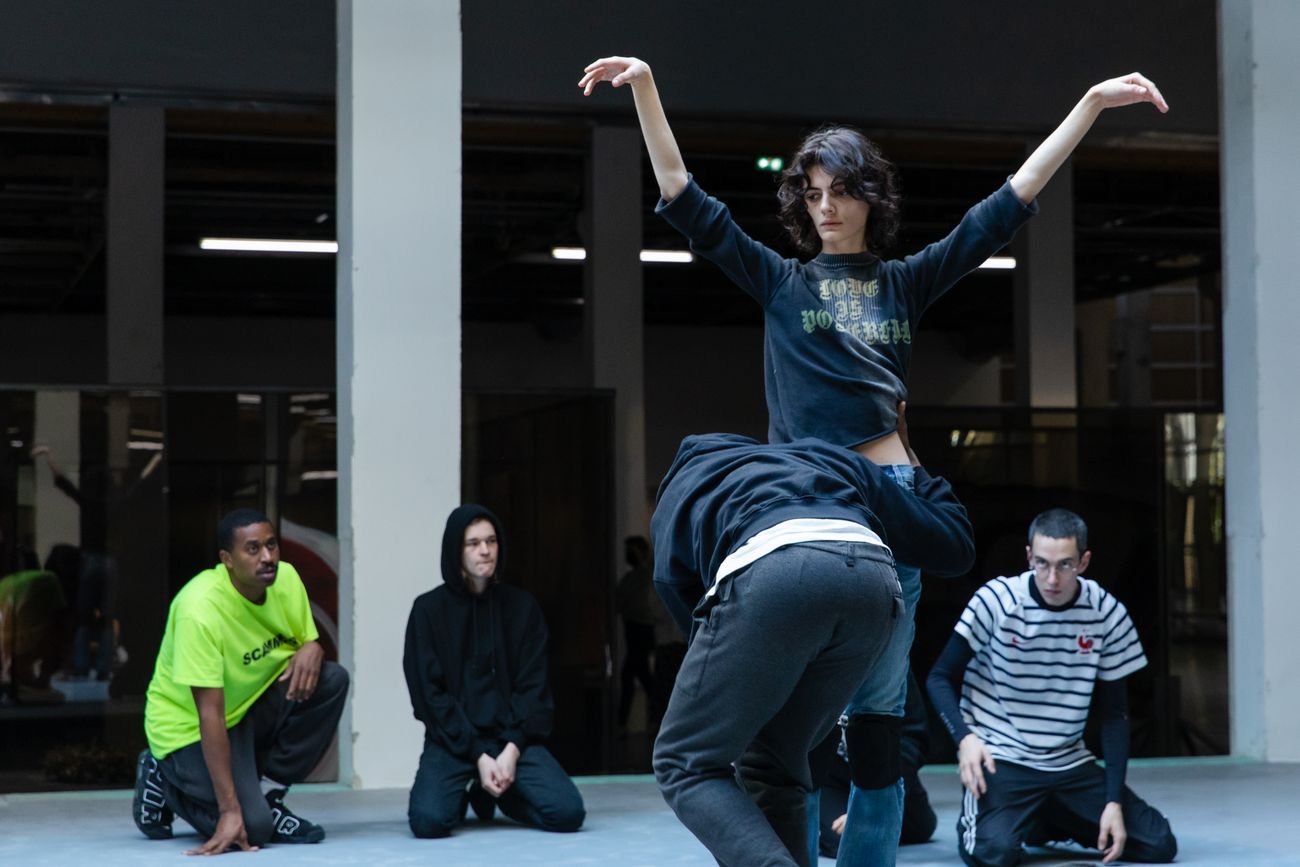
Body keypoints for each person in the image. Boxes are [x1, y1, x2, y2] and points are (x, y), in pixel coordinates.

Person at [581, 54, 1170, 863]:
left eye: (841, 191)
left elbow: (1006, 206)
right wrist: (646, 86)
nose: (826, 207)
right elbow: (683, 195)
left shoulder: (903, 282)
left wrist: (1091, 105)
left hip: (887, 502)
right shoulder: (781, 280)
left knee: (878, 731)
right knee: (789, 738)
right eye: (813, 193)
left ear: (870, 198)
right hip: (804, 507)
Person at [649, 413, 974, 867]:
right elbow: (954, 549)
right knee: (775, 766)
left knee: (684, 763)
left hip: (773, 572)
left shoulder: (684, 484)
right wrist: (915, 465)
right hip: (874, 585)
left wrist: (739, 683)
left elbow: (674, 590)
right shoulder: (827, 460)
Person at [926, 508, 1177, 866]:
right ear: (1029, 556)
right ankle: (1026, 817)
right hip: (1003, 758)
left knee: (1158, 844)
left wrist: (1112, 802)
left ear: (1084, 561)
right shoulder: (996, 600)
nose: (1052, 578)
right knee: (992, 853)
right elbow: (939, 677)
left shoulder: (1107, 612)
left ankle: (1043, 818)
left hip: (1068, 763)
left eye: (1065, 565)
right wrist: (965, 739)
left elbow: (1114, 715)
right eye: (1042, 563)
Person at [133, 508, 348, 853]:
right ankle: (162, 774)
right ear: (227, 559)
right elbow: (210, 715)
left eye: (271, 545)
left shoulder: (287, 580)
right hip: (188, 728)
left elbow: (303, 651)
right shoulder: (199, 610)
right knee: (252, 828)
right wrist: (229, 809)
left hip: (248, 707)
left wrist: (313, 645)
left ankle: (268, 794)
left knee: (332, 680)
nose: (267, 558)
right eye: (252, 549)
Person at [403, 504, 585, 838]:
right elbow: (429, 696)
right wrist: (478, 755)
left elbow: (534, 687)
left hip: (512, 740)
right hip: (454, 742)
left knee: (567, 813)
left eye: (491, 541)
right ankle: (468, 787)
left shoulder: (522, 608)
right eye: (473, 543)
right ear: (455, 551)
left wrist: (511, 750)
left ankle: (502, 793)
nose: (485, 551)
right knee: (429, 821)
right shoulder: (428, 611)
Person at [615, 535, 656, 729]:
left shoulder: (645, 577)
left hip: (643, 629)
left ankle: (623, 721)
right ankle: (655, 715)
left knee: (631, 673)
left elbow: (642, 605)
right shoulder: (630, 578)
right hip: (632, 629)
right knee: (639, 673)